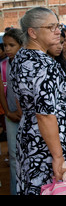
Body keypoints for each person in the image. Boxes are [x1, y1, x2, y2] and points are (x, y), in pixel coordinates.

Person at [10, 7, 66, 195]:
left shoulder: (22, 57)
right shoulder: (43, 64)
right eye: (51, 27)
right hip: (54, 148)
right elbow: (44, 114)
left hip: (34, 140)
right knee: (63, 189)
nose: (58, 31)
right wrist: (58, 156)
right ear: (32, 32)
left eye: (58, 26)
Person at [1, 28, 24, 195]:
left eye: (11, 45)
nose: (7, 49)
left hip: (29, 116)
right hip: (11, 116)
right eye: (5, 45)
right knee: (14, 156)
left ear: (21, 46)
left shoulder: (26, 64)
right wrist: (8, 112)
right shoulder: (2, 65)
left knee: (29, 155)